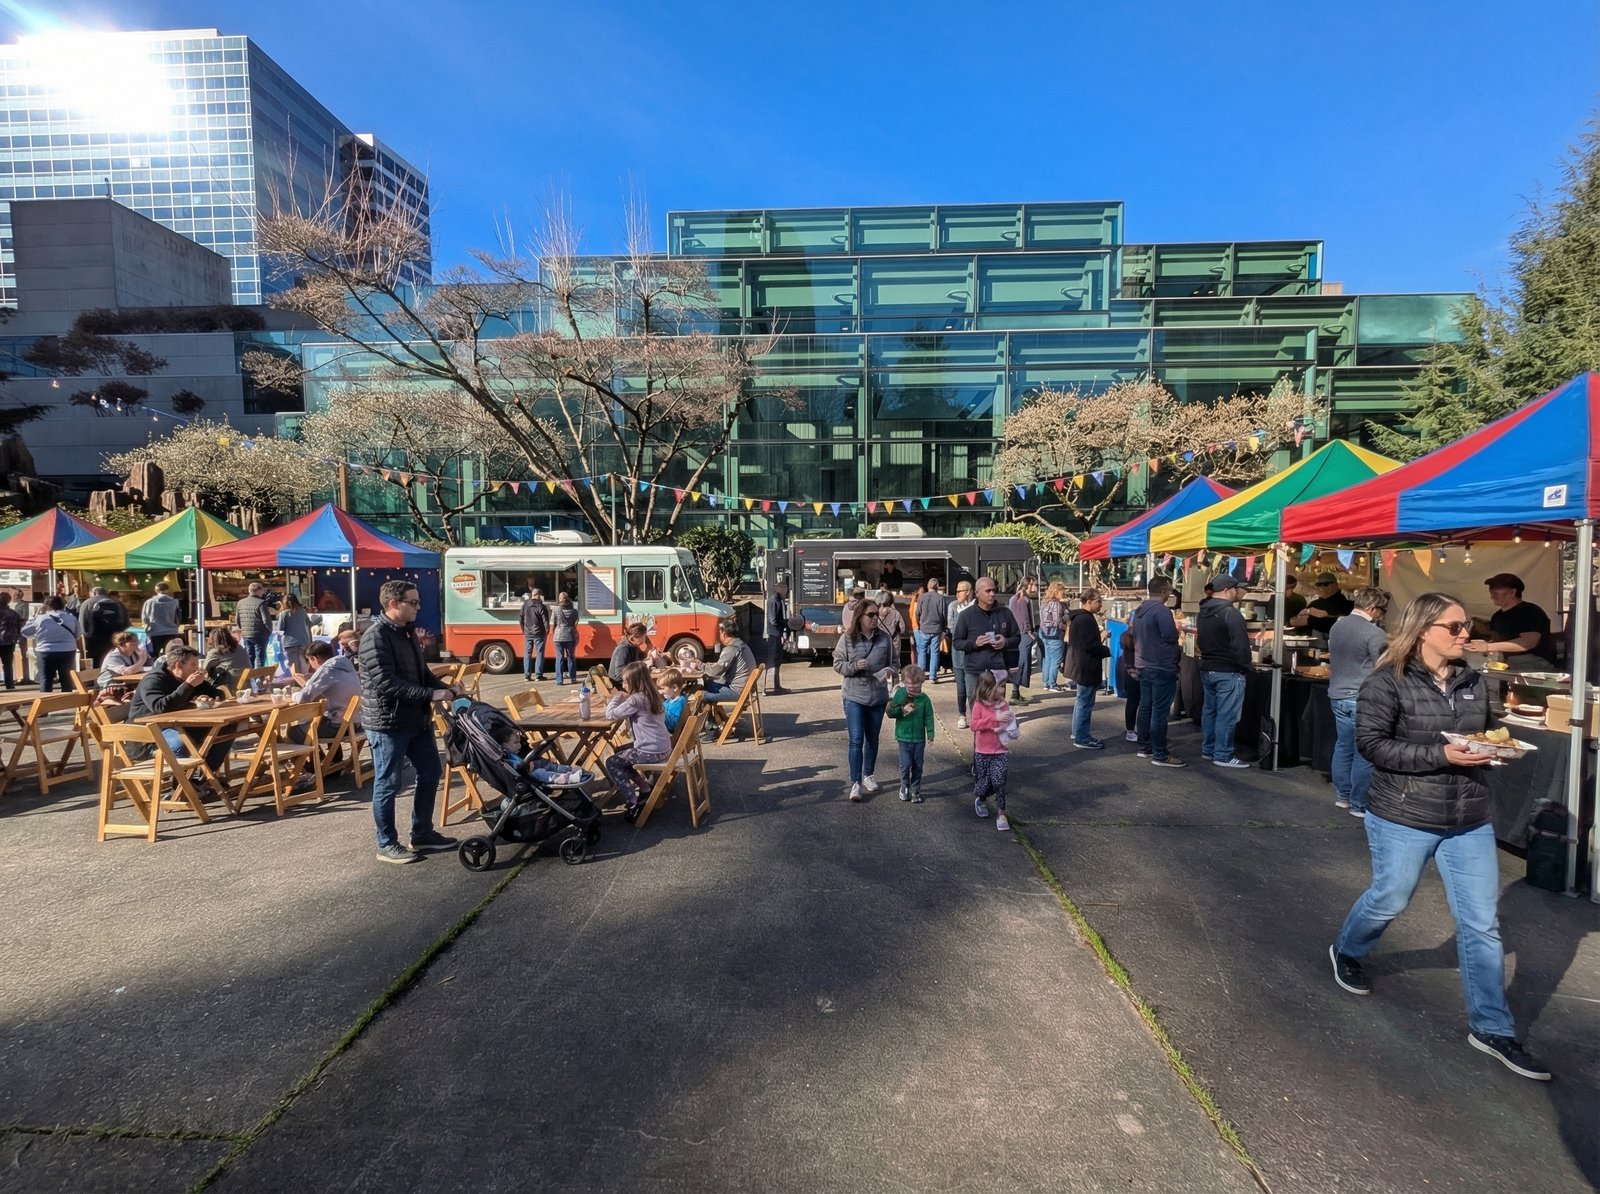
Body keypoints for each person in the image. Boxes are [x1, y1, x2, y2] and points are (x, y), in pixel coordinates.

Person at [1330, 591, 1550, 1082]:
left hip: (1469, 816)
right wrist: (1441, 756)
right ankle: (1348, 949)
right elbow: (1372, 746)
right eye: (1454, 627)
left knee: (1481, 923)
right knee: (1390, 898)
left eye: (1466, 626)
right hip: (1404, 812)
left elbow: (1487, 731)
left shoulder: (1475, 680)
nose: (1465, 634)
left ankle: (1492, 1028)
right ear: (1423, 629)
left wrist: (1496, 747)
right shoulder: (1386, 681)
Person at [360, 580, 459, 865]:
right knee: (388, 783)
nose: (418, 607)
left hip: (416, 718)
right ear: (393, 604)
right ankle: (386, 843)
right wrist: (431, 694)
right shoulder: (376, 637)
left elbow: (422, 673)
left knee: (431, 772)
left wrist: (446, 688)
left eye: (418, 602)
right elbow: (386, 683)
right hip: (388, 723)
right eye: (412, 603)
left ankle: (423, 832)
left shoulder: (407, 633)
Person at [1327, 586, 1390, 816]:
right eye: (1382, 610)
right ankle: (1359, 803)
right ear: (1372, 608)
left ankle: (1343, 796)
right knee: (1364, 751)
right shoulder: (1374, 633)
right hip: (1361, 696)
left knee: (1343, 746)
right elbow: (1385, 666)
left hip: (1337, 693)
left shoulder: (1338, 625)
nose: (1382, 615)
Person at [128, 644, 229, 771]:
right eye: (193, 665)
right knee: (180, 744)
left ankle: (205, 777)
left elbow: (218, 694)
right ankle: (182, 786)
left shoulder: (189, 678)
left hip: (178, 725)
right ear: (178, 665)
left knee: (226, 728)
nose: (197, 669)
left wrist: (207, 695)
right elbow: (160, 707)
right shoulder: (153, 680)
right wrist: (188, 685)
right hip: (148, 735)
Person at [832, 600, 893, 802]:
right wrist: (855, 666)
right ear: (860, 616)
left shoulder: (885, 638)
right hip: (854, 696)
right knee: (856, 739)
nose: (876, 618)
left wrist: (888, 672)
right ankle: (855, 782)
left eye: (877, 614)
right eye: (871, 615)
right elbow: (838, 664)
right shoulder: (847, 639)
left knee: (873, 739)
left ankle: (869, 775)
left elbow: (895, 663)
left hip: (877, 696)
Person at [604, 661, 672, 821]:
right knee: (620, 752)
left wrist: (617, 697)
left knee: (612, 762)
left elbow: (610, 714)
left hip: (650, 750)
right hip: (663, 747)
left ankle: (632, 801)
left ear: (634, 682)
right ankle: (644, 787)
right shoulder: (652, 694)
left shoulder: (636, 700)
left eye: (625, 681)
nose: (623, 684)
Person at [1131, 576, 1184, 768]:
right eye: (1169, 590)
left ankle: (1144, 746)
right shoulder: (1161, 611)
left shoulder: (1139, 610)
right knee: (1159, 711)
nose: (1170, 593)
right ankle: (1160, 753)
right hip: (1161, 665)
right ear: (1163, 591)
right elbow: (1170, 636)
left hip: (1144, 665)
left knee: (1146, 706)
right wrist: (1177, 630)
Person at [953, 576, 1020, 713]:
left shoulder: (1005, 613)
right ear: (977, 593)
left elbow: (1017, 637)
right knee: (978, 713)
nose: (992, 594)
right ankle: (978, 734)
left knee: (998, 711)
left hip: (998, 669)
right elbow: (957, 643)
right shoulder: (966, 615)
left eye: (994, 590)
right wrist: (974, 644)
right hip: (974, 671)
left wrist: (1005, 642)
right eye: (988, 591)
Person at [1467, 573, 1555, 672]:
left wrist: (1488, 646)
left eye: (1496, 591)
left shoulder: (1530, 611)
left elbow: (1528, 642)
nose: (1492, 596)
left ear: (1513, 592)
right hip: (1507, 662)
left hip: (1534, 662)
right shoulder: (1497, 616)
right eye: (1491, 591)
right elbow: (1496, 641)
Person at [968, 671, 1015, 832]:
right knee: (984, 783)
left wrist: (1012, 729)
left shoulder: (1004, 704)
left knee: (1000, 780)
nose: (1001, 692)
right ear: (985, 690)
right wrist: (994, 720)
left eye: (1002, 687)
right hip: (983, 751)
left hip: (1000, 750)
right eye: (998, 688)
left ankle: (1001, 813)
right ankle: (981, 798)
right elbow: (974, 725)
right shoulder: (979, 705)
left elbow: (1010, 723)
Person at [292, 640, 363, 743]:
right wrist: (307, 684)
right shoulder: (345, 664)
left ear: (314, 658)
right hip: (357, 722)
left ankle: (316, 759)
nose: (311, 666)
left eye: (309, 661)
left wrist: (293, 695)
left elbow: (302, 698)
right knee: (320, 719)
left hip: (339, 725)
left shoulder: (327, 669)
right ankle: (332, 757)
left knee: (294, 732)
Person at [1067, 589, 1112, 749]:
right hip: (1086, 666)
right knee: (1085, 702)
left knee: (1081, 701)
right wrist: (1105, 647)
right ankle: (1082, 737)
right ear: (1089, 602)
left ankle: (1077, 732)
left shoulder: (1079, 618)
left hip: (1081, 665)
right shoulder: (1085, 619)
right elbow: (1089, 645)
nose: (1100, 604)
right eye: (1098, 601)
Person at [886, 664, 935, 802]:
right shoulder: (901, 694)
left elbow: (929, 717)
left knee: (918, 766)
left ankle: (915, 791)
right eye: (909, 685)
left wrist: (930, 733)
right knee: (905, 764)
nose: (912, 689)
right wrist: (902, 709)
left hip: (919, 738)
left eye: (915, 686)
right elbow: (890, 712)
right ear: (904, 683)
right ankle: (904, 786)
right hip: (903, 736)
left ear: (921, 683)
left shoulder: (925, 699)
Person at [702, 619, 755, 721]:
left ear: (724, 633)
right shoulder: (742, 645)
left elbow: (717, 671)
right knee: (709, 684)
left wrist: (702, 667)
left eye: (719, 632)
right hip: (746, 690)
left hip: (736, 692)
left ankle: (711, 727)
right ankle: (722, 719)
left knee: (701, 695)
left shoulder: (732, 648)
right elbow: (721, 666)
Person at [22, 595, 78, 692]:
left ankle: (46, 703)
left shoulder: (40, 619)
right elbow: (78, 634)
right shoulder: (71, 618)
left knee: (45, 679)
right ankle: (67, 701)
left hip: (45, 650)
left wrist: (32, 618)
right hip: (67, 650)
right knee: (66, 679)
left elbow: (25, 632)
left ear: (46, 605)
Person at [947, 580, 976, 728]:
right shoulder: (953, 606)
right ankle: (962, 715)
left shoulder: (976, 607)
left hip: (972, 654)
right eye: (957, 591)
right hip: (957, 652)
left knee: (972, 689)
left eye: (960, 591)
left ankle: (975, 716)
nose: (957, 593)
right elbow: (951, 627)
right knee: (961, 687)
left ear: (968, 591)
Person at [81, 586, 129, 665]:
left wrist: (86, 637)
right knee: (114, 660)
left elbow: (83, 622)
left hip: (94, 640)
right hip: (115, 639)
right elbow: (125, 622)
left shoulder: (87, 603)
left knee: (95, 662)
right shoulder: (118, 604)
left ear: (94, 593)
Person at [912, 579, 949, 682]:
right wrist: (944, 628)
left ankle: (921, 676)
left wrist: (920, 624)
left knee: (922, 651)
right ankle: (933, 676)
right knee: (935, 652)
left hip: (924, 628)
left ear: (928, 586)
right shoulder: (941, 598)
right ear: (937, 586)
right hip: (936, 629)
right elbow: (943, 615)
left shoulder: (922, 597)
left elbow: (917, 613)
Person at [234, 582, 276, 670]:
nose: (263, 593)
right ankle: (259, 678)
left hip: (246, 634)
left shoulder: (240, 603)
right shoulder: (261, 603)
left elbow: (237, 620)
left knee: (249, 656)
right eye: (262, 591)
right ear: (259, 591)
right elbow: (266, 620)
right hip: (260, 634)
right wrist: (269, 631)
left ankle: (250, 677)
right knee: (260, 657)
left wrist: (243, 629)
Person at [1008, 577, 1038, 701]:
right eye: (1035, 585)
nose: (1036, 587)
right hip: (1023, 635)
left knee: (1020, 663)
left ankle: (1016, 692)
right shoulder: (1022, 599)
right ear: (1029, 585)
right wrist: (1029, 632)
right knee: (1023, 663)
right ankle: (1015, 694)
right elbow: (1024, 618)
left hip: (1017, 634)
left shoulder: (1015, 598)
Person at [763, 580, 791, 696]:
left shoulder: (779, 600)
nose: (786, 591)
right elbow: (773, 620)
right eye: (784, 588)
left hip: (777, 633)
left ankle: (776, 686)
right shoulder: (774, 600)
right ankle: (769, 687)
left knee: (777, 660)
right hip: (774, 634)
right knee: (772, 660)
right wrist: (785, 623)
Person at [141, 582, 181, 656]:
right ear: (168, 590)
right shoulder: (175, 602)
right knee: (171, 655)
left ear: (156, 590)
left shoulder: (149, 602)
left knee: (154, 655)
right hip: (171, 631)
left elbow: (144, 618)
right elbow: (178, 617)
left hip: (154, 632)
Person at [277, 593, 312, 676]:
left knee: (293, 666)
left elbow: (280, 630)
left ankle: (296, 684)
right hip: (303, 641)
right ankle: (305, 683)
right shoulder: (303, 611)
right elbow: (309, 624)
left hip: (289, 643)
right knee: (304, 664)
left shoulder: (284, 614)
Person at [519, 587, 549, 682]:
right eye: (540, 595)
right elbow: (545, 621)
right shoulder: (541, 606)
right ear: (538, 595)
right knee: (539, 653)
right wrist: (547, 631)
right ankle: (538, 675)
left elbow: (520, 618)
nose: (541, 597)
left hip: (528, 633)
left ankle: (527, 676)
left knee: (527, 654)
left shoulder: (525, 604)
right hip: (539, 633)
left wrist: (523, 629)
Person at [551, 591, 579, 685]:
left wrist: (553, 634)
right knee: (571, 657)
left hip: (558, 636)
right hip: (570, 636)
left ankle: (559, 680)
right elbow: (575, 624)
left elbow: (553, 623)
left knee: (559, 658)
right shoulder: (574, 611)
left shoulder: (555, 610)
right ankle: (573, 678)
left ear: (560, 599)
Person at [876, 592, 906, 666]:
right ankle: (894, 676)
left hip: (879, 642)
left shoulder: (875, 613)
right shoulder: (895, 613)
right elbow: (902, 629)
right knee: (894, 663)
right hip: (894, 641)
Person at [657, 667, 689, 735]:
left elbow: (672, 726)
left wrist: (659, 712)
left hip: (670, 735)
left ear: (674, 688)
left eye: (663, 688)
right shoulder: (671, 700)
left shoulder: (678, 703)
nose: (661, 692)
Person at [0, 591, 20, 690]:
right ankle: (10, 684)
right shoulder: (13, 613)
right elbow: (18, 626)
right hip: (9, 641)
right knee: (7, 664)